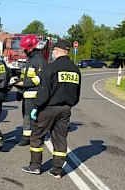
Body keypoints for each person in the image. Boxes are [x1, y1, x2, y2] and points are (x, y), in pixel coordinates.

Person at [22, 40, 81, 178]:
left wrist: (36, 106)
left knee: (37, 135)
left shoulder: (51, 68)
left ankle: (35, 166)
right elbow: (76, 94)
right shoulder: (75, 70)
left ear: (57, 51)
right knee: (60, 138)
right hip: (66, 109)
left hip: (49, 108)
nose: (52, 54)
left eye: (53, 52)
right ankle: (57, 169)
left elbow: (44, 91)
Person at [14, 35, 48, 146]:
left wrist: (24, 83)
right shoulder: (33, 59)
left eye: (25, 49)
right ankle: (29, 136)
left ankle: (27, 138)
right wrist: (19, 82)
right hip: (27, 93)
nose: (24, 51)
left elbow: (40, 79)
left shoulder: (39, 60)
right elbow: (28, 76)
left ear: (31, 48)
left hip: (33, 94)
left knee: (29, 117)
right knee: (27, 116)